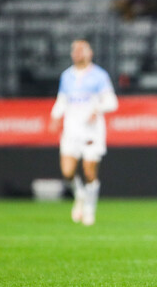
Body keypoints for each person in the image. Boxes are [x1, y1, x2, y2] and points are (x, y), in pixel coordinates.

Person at [49, 40, 118, 226]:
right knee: (68, 172)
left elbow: (112, 102)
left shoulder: (99, 76)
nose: (77, 53)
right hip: (71, 130)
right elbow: (62, 101)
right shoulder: (67, 76)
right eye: (75, 50)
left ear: (90, 53)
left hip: (92, 132)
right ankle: (79, 195)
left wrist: (97, 109)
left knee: (89, 172)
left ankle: (89, 209)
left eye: (81, 50)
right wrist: (55, 117)